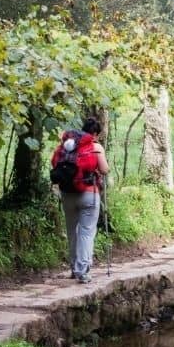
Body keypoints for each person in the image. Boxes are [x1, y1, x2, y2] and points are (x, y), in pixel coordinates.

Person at [51, 117, 109, 283]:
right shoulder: (96, 146)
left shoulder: (67, 146)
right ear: (96, 134)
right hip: (89, 194)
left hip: (67, 193)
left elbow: (54, 162)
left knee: (72, 232)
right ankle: (82, 270)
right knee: (86, 231)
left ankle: (73, 268)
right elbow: (104, 169)